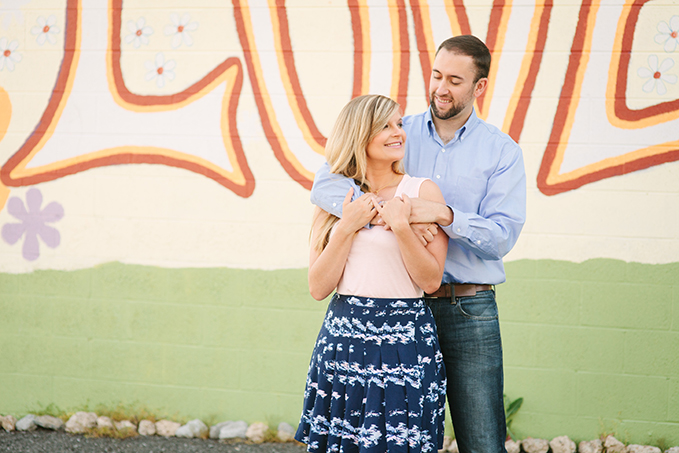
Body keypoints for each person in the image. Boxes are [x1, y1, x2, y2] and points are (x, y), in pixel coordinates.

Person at [309, 35, 527, 453]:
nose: (441, 88)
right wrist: (393, 214)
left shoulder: (501, 151)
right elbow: (325, 183)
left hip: (467, 307)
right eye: (437, 75)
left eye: (456, 80)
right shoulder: (397, 129)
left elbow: (501, 237)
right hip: (397, 306)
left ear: (479, 87)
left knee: (481, 438)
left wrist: (443, 216)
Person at [295, 94, 449, 452]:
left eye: (399, 124)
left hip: (404, 340)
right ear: (359, 134)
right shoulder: (334, 199)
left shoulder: (421, 192)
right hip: (344, 338)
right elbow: (318, 288)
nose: (398, 133)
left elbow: (429, 281)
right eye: (385, 126)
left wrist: (402, 227)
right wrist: (347, 227)